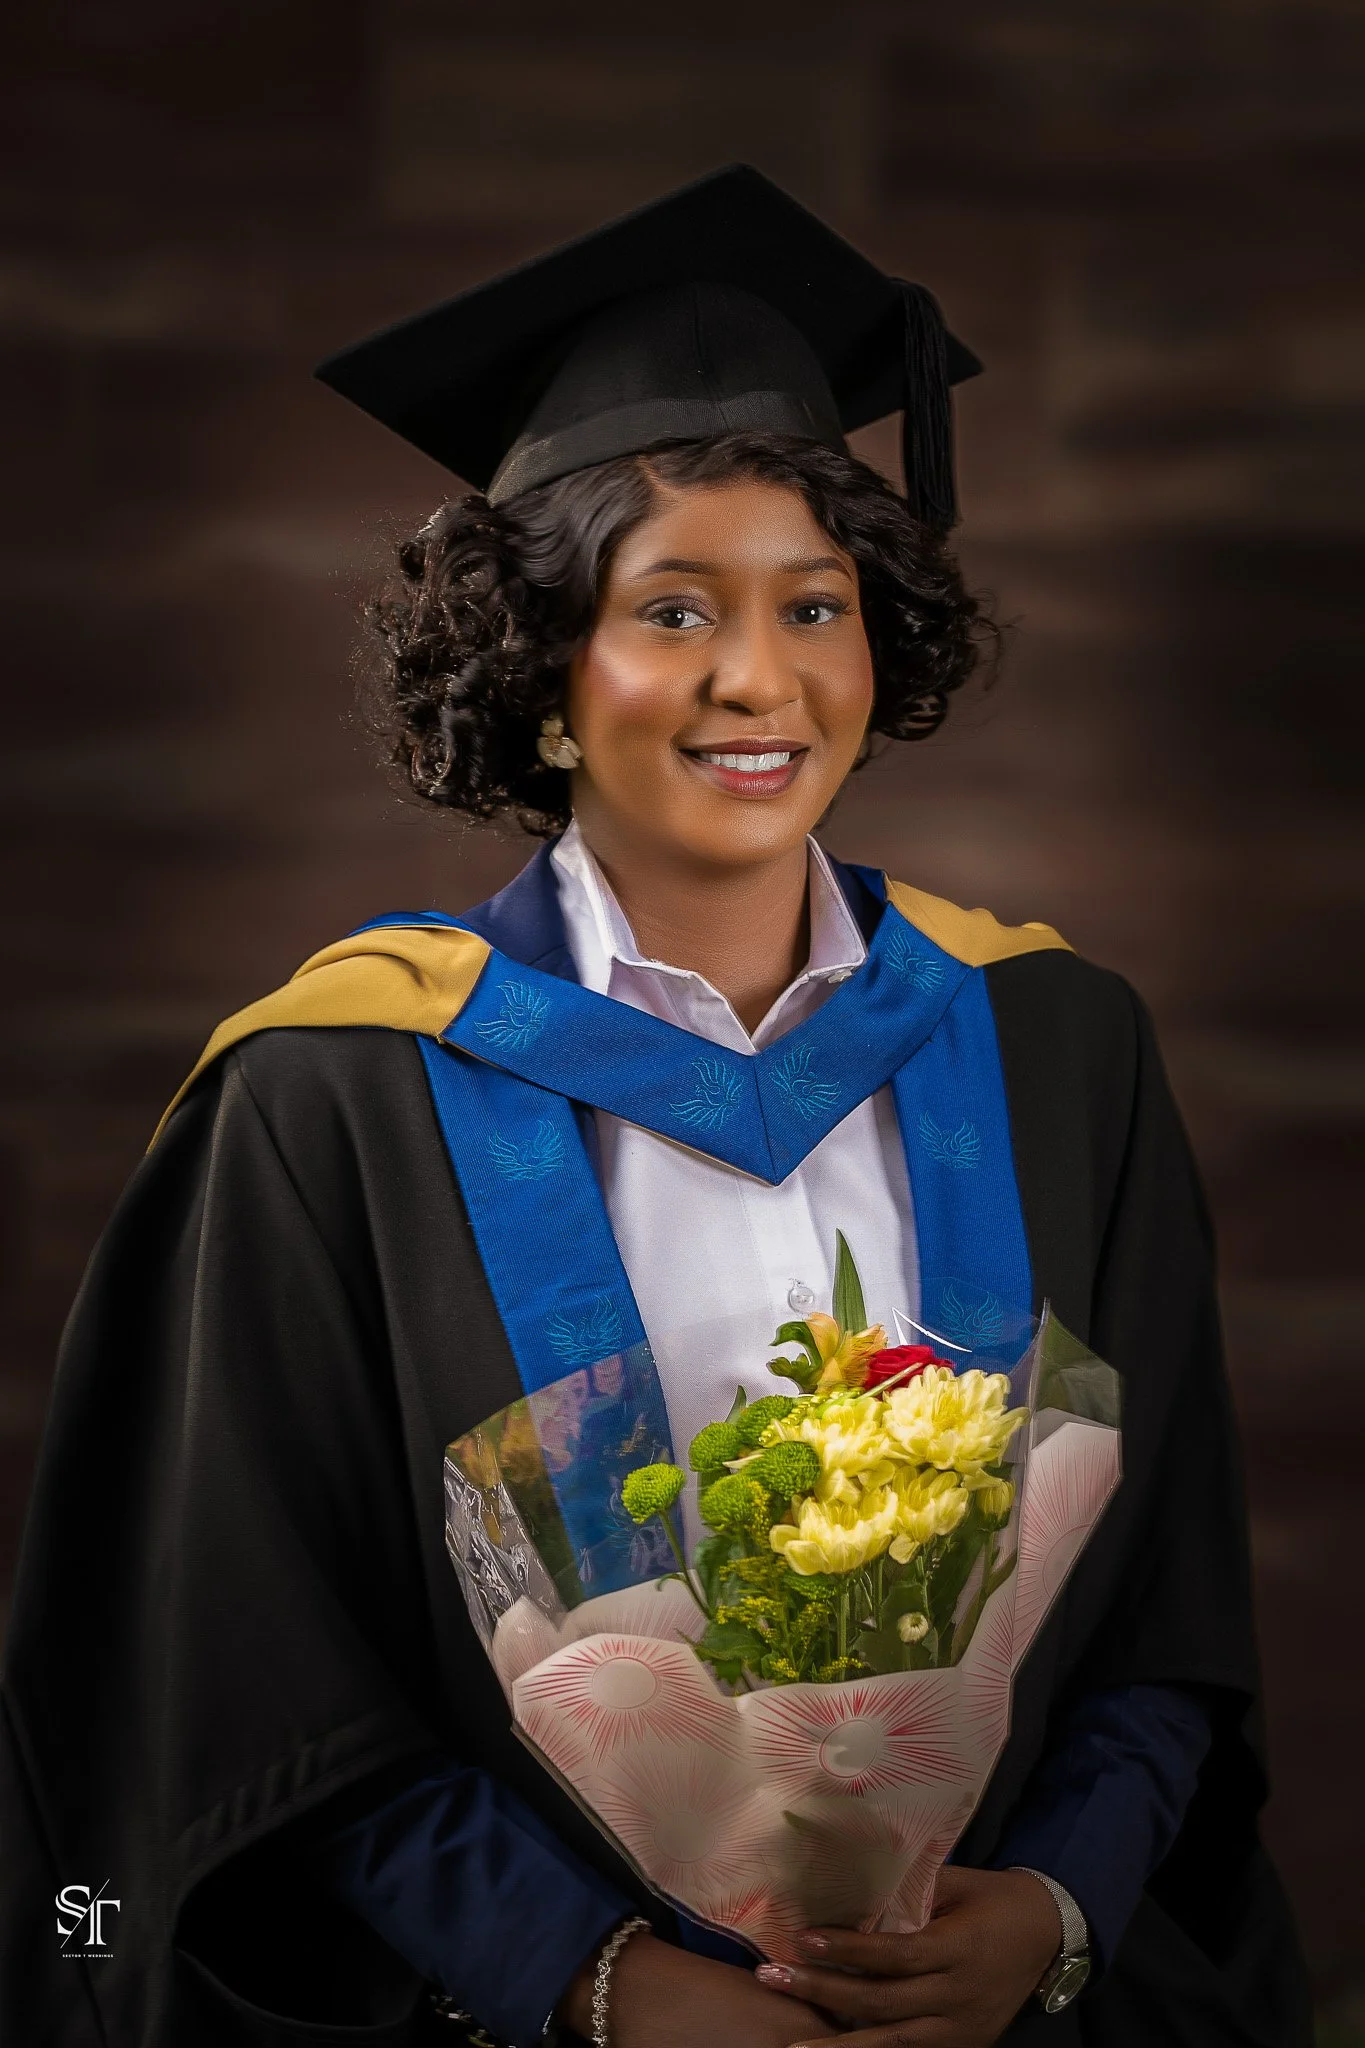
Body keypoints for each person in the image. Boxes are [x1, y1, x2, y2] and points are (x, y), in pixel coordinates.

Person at [0, 167, 1310, 2048]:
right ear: (543, 680)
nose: (756, 678)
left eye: (816, 604)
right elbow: (241, 1666)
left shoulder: (1056, 1045)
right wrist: (599, 1984)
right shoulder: (338, 1094)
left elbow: (1168, 1600)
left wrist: (1051, 1908)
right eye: (671, 610)